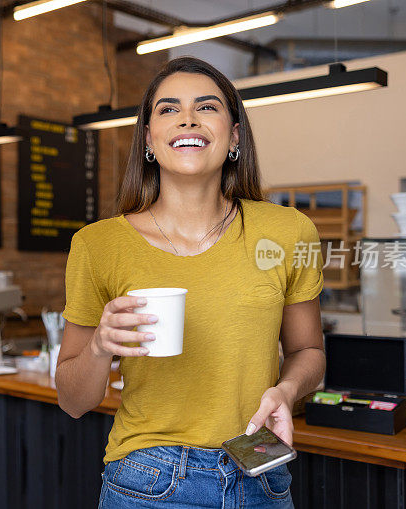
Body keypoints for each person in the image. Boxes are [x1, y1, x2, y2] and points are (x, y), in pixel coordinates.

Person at [55, 56, 326, 508]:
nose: (187, 118)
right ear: (148, 139)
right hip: (148, 479)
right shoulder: (97, 245)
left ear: (234, 135)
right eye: (167, 109)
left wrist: (286, 390)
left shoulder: (288, 231)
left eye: (207, 106)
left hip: (259, 467)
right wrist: (101, 345)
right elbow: (73, 401)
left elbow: (309, 353)